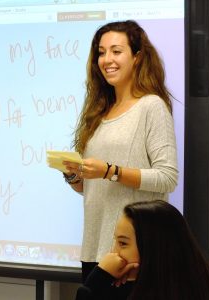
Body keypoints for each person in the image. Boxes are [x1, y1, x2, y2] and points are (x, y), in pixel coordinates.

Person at [62, 20, 178, 281]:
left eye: (116, 51)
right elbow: (94, 188)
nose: (106, 59)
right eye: (101, 52)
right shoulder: (99, 112)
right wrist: (75, 176)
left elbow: (167, 177)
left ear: (137, 57)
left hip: (134, 256)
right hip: (94, 250)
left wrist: (109, 171)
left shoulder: (151, 106)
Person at [75, 200, 209, 300]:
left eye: (123, 244)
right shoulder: (206, 280)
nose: (113, 253)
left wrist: (96, 280)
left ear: (152, 247)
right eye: (115, 241)